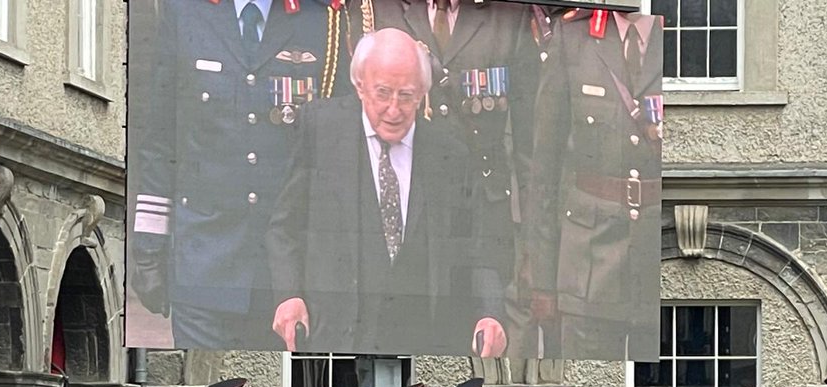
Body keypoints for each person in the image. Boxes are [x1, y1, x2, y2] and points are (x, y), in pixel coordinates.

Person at [266, 27, 508, 358]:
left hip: (422, 342)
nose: (394, 110)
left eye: (406, 96)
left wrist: (489, 313)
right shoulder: (320, 129)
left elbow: (477, 248)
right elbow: (284, 227)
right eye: (383, 93)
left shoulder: (449, 151)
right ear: (360, 85)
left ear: (422, 93)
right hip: (336, 336)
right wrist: (288, 295)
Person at [127, 0, 348, 350]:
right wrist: (149, 250)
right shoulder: (186, 12)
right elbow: (160, 141)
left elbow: (337, 148)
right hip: (203, 262)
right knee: (201, 379)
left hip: (287, 275)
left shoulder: (321, 19)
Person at [367, 0, 539, 346]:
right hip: (410, 211)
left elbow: (528, 144)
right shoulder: (381, 11)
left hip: (485, 215)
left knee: (490, 333)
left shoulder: (507, 16)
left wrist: (532, 241)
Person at [528, 9, 663, 359]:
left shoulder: (677, 34)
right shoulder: (573, 37)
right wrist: (543, 282)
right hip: (588, 260)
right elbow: (544, 171)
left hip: (660, 250)